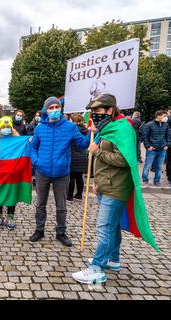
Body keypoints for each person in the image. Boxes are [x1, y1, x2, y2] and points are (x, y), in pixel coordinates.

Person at [72, 94, 136, 285]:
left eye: (98, 111)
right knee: (113, 225)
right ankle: (113, 259)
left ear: (110, 110)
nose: (94, 115)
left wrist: (97, 151)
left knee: (104, 227)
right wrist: (97, 181)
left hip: (116, 187)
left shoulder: (123, 128)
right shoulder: (108, 128)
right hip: (107, 184)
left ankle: (97, 269)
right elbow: (105, 162)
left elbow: (125, 159)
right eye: (92, 112)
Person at [29, 97, 91, 247]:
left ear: (61, 109)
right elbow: (33, 147)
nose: (54, 110)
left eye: (57, 107)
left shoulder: (70, 127)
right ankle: (39, 229)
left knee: (61, 206)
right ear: (46, 110)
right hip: (42, 172)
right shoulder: (40, 128)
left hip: (62, 174)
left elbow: (82, 144)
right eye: (51, 107)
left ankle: (61, 232)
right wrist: (36, 162)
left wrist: (91, 133)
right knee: (40, 204)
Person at [0, 116, 20, 230]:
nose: (5, 129)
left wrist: (28, 141)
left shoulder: (17, 140)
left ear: (11, 127)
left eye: (8, 127)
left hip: (12, 172)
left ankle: (11, 215)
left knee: (11, 194)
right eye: (3, 127)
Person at [141, 110, 169, 186]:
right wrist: (148, 146)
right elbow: (145, 137)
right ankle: (145, 180)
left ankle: (157, 181)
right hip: (152, 150)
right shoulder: (149, 125)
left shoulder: (165, 125)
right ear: (158, 116)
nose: (166, 118)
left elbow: (168, 136)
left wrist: (167, 145)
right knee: (147, 165)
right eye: (164, 116)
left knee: (159, 167)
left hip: (162, 149)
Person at [67, 114, 89, 202]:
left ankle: (69, 196)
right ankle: (79, 195)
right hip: (82, 155)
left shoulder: (73, 129)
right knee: (79, 176)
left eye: (70, 120)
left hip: (73, 155)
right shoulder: (85, 129)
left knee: (71, 177)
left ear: (74, 121)